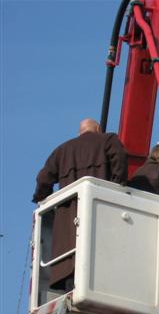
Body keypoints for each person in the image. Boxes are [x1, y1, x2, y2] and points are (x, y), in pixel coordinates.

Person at [32, 118, 128, 291]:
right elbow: (119, 161)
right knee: (100, 262)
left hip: (68, 226)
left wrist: (42, 197)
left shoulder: (61, 151)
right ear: (98, 129)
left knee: (72, 270)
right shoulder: (108, 140)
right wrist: (116, 187)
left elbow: (43, 178)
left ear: (80, 132)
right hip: (101, 215)